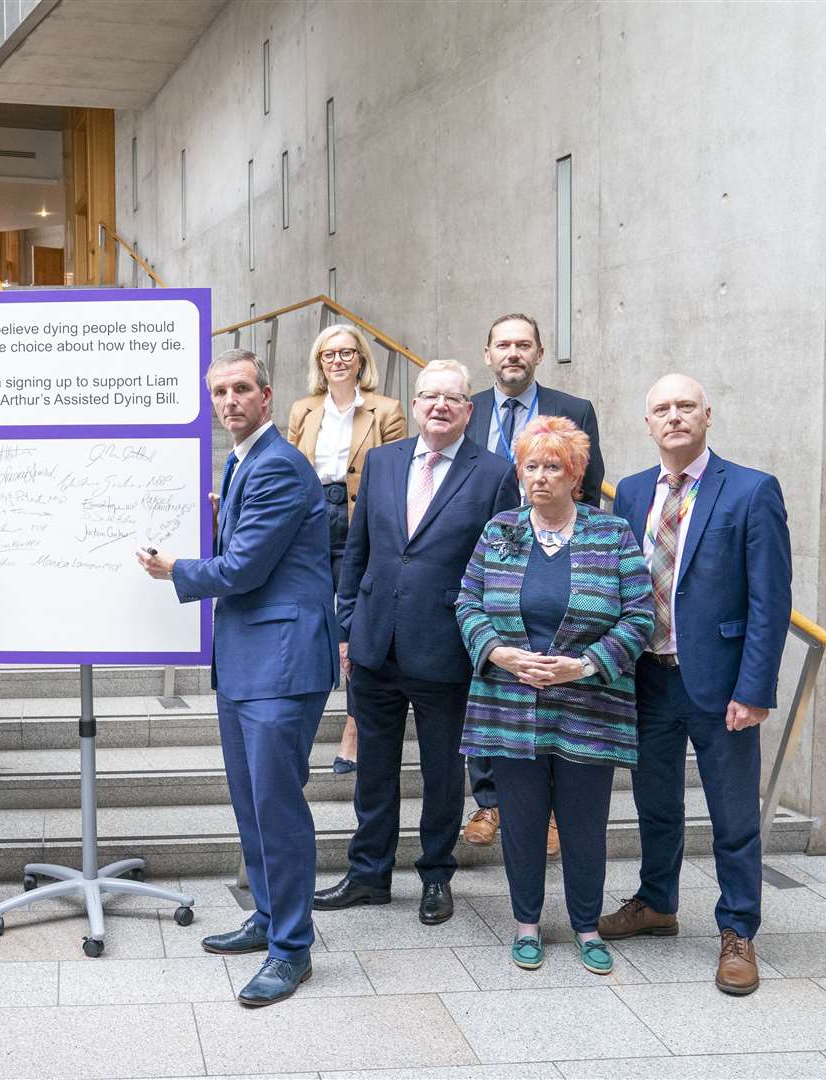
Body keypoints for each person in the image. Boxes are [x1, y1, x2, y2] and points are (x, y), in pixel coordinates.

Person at [138, 349, 336, 1008]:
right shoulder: (243, 458)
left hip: (281, 662)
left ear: (267, 396)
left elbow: (245, 566)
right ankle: (266, 917)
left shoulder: (277, 463)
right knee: (253, 804)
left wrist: (177, 569)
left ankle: (292, 949)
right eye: (219, 391)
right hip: (251, 659)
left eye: (241, 389)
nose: (229, 401)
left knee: (277, 808)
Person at [599, 373, 792, 996]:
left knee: (733, 816)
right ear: (647, 422)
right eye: (662, 408)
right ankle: (657, 902)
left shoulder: (752, 490)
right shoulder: (629, 492)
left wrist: (755, 687)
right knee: (656, 805)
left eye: (686, 406)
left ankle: (738, 931)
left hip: (720, 684)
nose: (674, 416)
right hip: (647, 681)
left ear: (707, 415)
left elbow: (770, 599)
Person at [314, 359, 519, 925]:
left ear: (468, 410)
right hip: (377, 643)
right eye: (429, 396)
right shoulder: (382, 461)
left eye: (452, 398)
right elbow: (359, 550)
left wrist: (487, 641)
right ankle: (368, 874)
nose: (439, 406)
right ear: (416, 402)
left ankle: (435, 876)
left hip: (446, 646)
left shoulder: (495, 473)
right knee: (374, 770)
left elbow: (500, 568)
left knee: (441, 774)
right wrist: (348, 625)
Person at [456, 416, 653, 975]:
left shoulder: (610, 534)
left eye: (553, 467)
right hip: (510, 705)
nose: (540, 478)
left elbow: (641, 614)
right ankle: (526, 925)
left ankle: (587, 926)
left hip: (589, 706)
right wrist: (500, 653)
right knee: (519, 821)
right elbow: (467, 602)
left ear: (576, 475)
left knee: (584, 822)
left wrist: (586, 664)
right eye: (531, 467)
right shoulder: (500, 530)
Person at [462, 313, 606, 852]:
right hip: (488, 557)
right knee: (490, 676)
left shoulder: (574, 410)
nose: (513, 353)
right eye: (504, 344)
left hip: (552, 556)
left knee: (547, 674)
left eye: (523, 344)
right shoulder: (468, 410)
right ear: (488, 353)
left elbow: (589, 488)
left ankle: (545, 812)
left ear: (539, 353)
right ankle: (489, 800)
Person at [286, 324, 406, 775]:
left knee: (358, 626)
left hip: (365, 523)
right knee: (313, 622)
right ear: (319, 362)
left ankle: (354, 728)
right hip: (315, 520)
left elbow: (397, 474)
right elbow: (292, 469)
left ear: (361, 360)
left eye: (346, 353)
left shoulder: (386, 409)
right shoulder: (304, 410)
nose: (337, 361)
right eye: (328, 354)